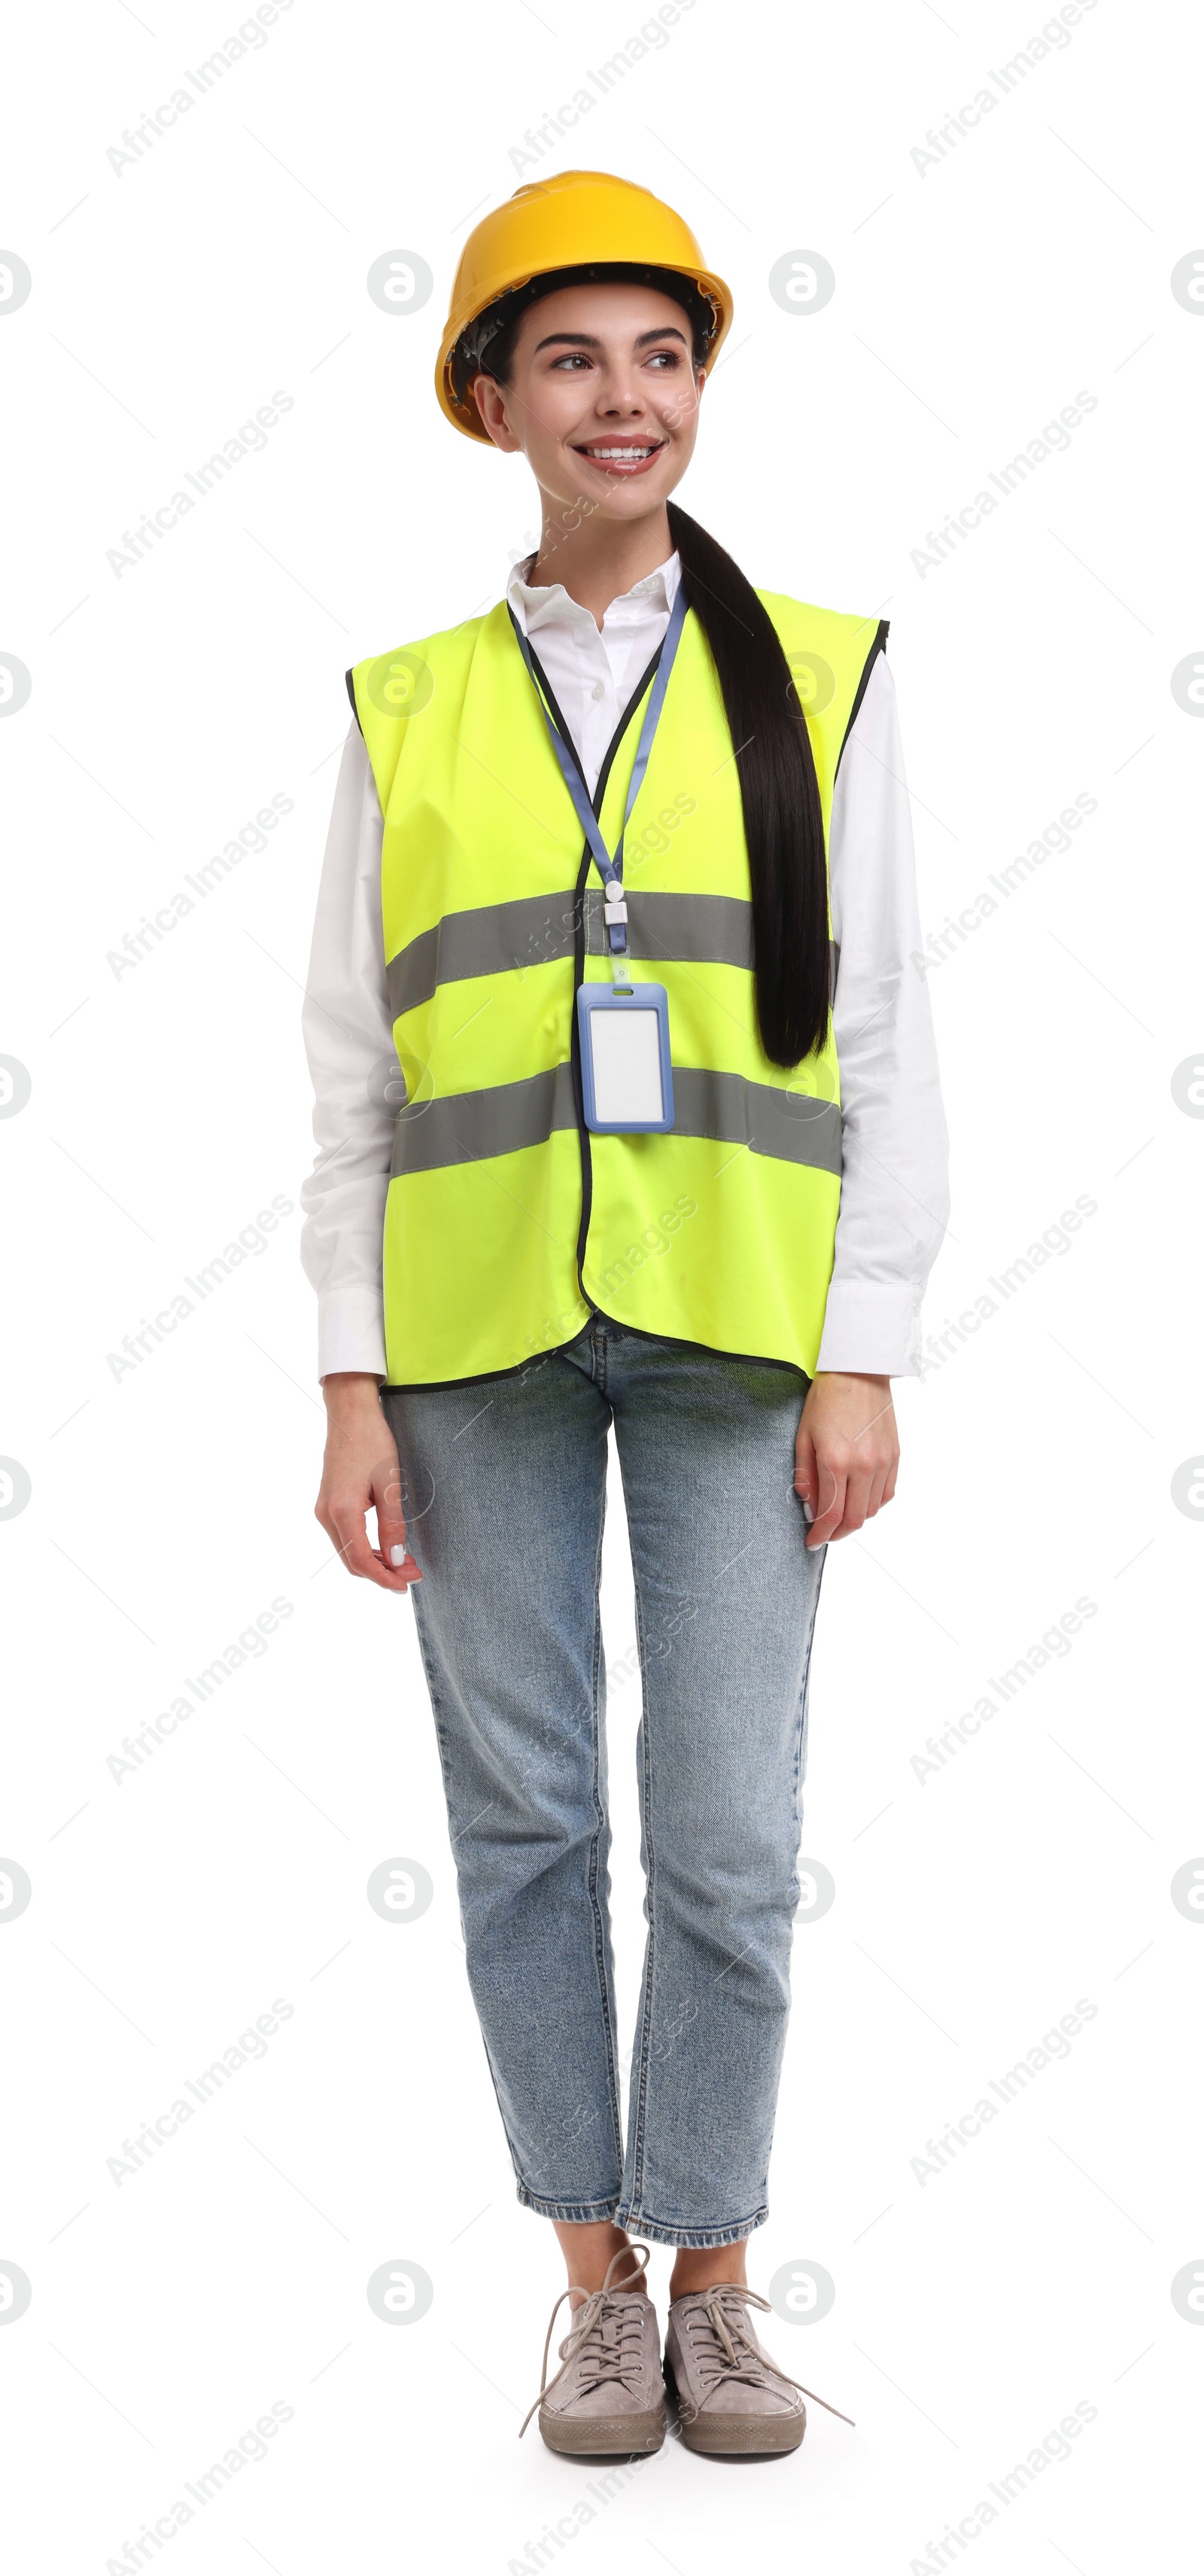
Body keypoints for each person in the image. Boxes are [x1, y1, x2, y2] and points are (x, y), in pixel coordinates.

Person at [301, 169, 949, 2460]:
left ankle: (722, 2271)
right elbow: (352, 1076)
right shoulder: (406, 712)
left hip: (734, 1326)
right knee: (526, 1818)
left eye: (660, 356)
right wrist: (348, 1380)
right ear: (493, 401)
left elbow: (881, 1044)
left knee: (732, 1834)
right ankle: (589, 2279)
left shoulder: (826, 676)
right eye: (570, 358)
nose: (625, 398)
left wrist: (860, 1339)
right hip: (470, 1334)